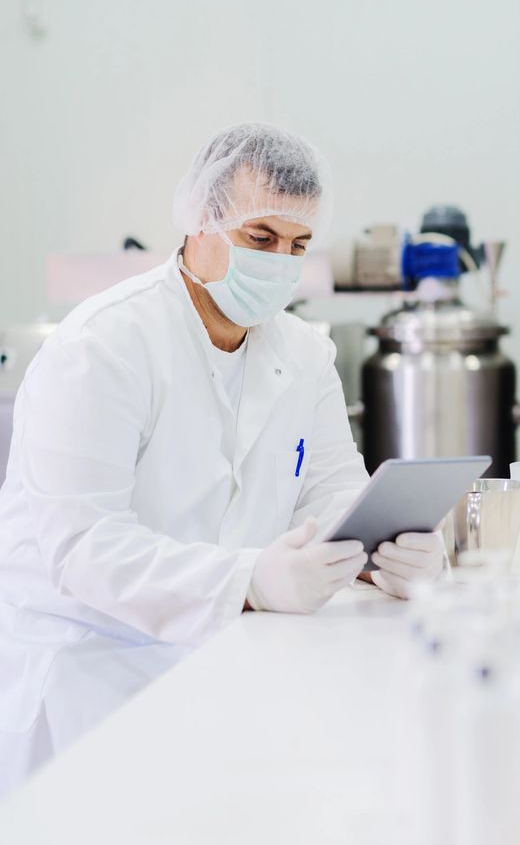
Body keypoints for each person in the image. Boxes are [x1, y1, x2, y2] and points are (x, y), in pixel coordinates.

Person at [0, 122, 444, 795]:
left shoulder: (303, 353)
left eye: (298, 245)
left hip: (225, 661)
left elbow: (332, 490)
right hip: (88, 675)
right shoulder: (103, 346)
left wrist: (392, 549)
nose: (280, 263)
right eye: (260, 238)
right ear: (200, 221)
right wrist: (250, 580)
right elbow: (84, 547)